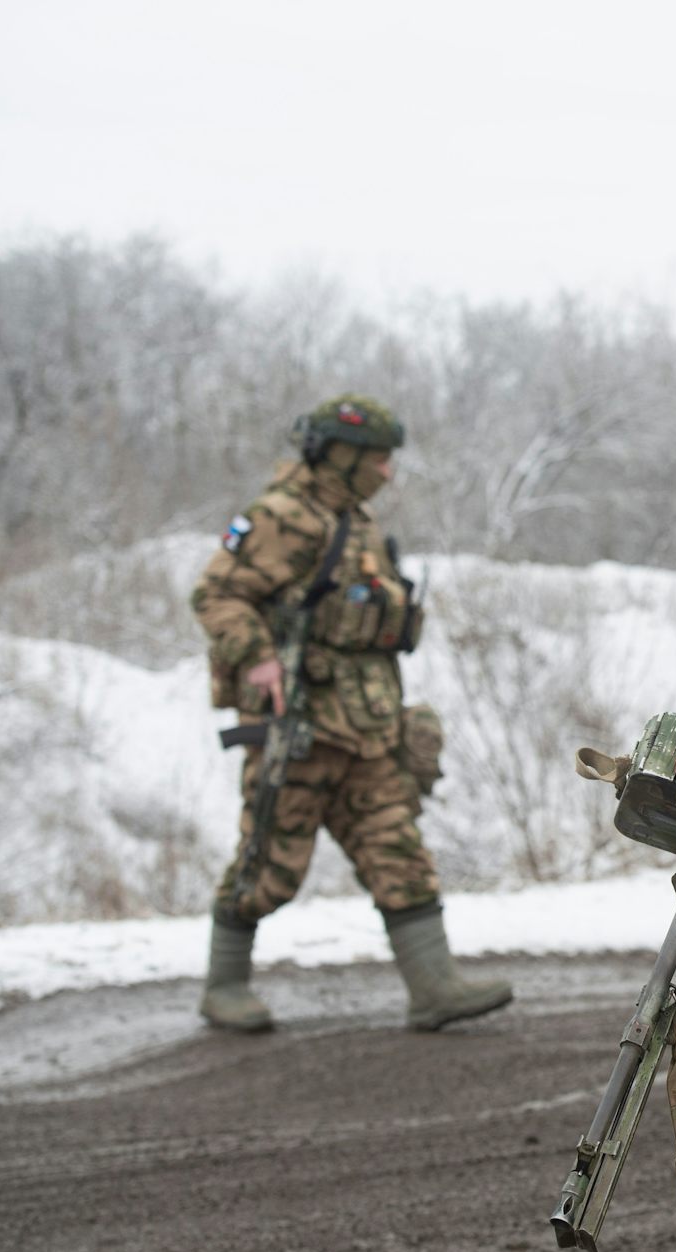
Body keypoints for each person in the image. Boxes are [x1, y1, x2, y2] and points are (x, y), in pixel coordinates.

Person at [191, 394, 512, 1033]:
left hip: (366, 732)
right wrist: (256, 659)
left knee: (399, 852)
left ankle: (434, 987)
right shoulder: (283, 516)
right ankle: (223, 987)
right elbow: (217, 593)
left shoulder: (354, 522)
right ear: (341, 456)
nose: (387, 472)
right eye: (378, 459)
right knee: (268, 866)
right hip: (302, 732)